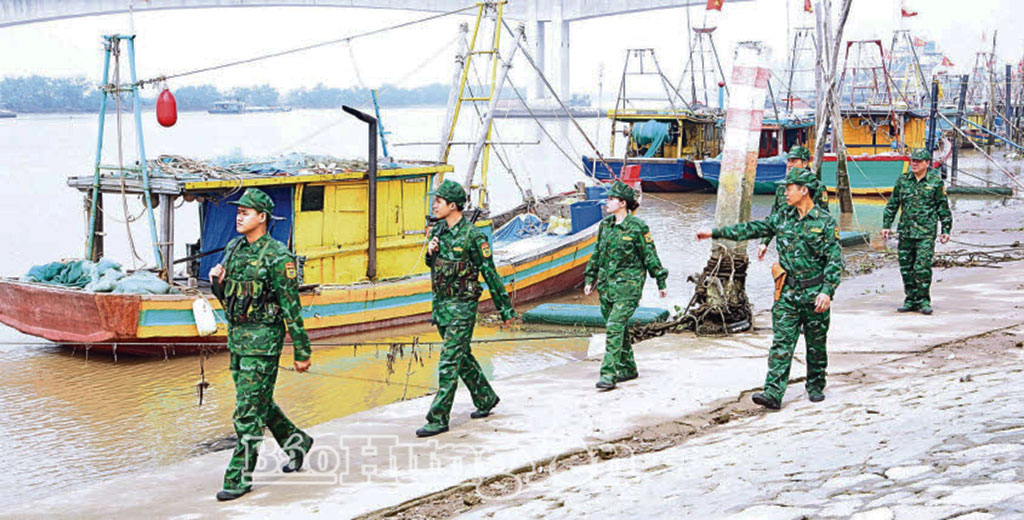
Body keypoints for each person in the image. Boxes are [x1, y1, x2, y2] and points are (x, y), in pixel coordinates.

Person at [697, 168, 842, 409]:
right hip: (787, 294)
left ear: (804, 190)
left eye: (789, 188)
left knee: (816, 344)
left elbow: (834, 261)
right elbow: (752, 229)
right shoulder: (782, 217)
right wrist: (716, 232)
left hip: (814, 293)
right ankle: (773, 392)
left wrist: (827, 291)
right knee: (781, 343)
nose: (784, 192)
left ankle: (816, 384)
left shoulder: (825, 222)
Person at [208, 188, 313, 501]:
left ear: (262, 217)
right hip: (238, 340)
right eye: (238, 212)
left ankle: (239, 477)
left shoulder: (279, 257)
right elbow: (230, 301)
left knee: (246, 413)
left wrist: (302, 351)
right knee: (258, 403)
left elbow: (291, 307)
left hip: (264, 342)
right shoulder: (234, 249)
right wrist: (217, 283)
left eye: (246, 212)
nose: (239, 217)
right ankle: (296, 441)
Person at [417, 180, 516, 438]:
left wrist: (505, 310)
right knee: (462, 357)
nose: (434, 205)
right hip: (441, 306)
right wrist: (430, 253)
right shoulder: (439, 230)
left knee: (449, 361)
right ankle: (485, 398)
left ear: (453, 206)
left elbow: (490, 274)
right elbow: (434, 266)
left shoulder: (474, 237)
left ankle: (438, 418)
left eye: (439, 202)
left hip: (462, 307)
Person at [583, 181, 669, 390]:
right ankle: (628, 368)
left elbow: (650, 255)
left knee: (613, 326)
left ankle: (608, 375)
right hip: (606, 286)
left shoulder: (638, 227)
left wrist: (660, 281)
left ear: (622, 203)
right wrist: (590, 278)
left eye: (611, 199)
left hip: (628, 288)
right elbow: (597, 254)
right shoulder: (605, 226)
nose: (607, 202)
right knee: (618, 328)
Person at [881, 148, 953, 315]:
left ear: (927, 163)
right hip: (906, 232)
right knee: (906, 268)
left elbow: (943, 207)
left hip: (926, 233)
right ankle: (911, 299)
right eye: (912, 160)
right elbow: (893, 205)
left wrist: (946, 229)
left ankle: (923, 300)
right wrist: (886, 225)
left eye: (918, 161)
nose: (914, 164)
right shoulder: (903, 180)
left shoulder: (935, 183)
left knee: (922, 267)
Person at [757, 146, 829, 261]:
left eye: (794, 161)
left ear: (805, 163)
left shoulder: (817, 188)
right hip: (786, 252)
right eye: (788, 161)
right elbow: (773, 217)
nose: (789, 164)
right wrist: (764, 243)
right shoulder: (782, 188)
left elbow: (824, 220)